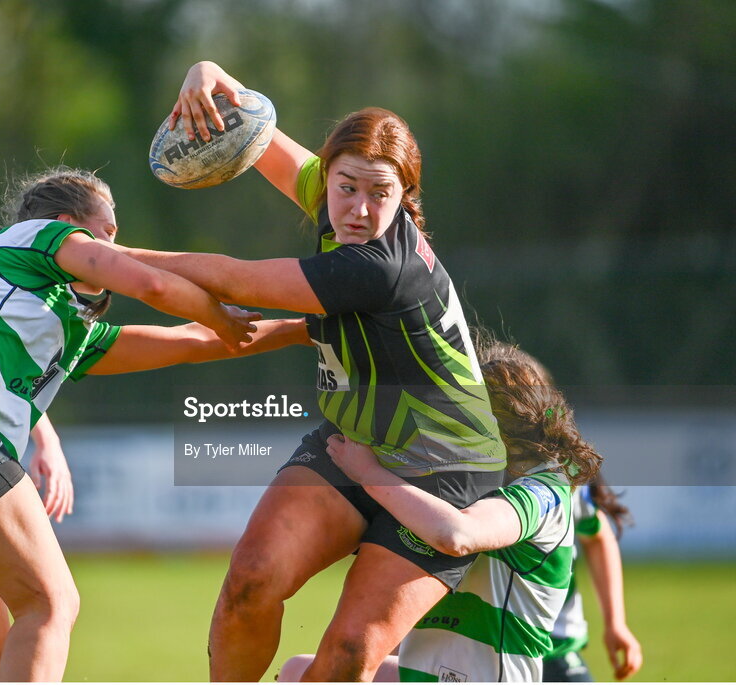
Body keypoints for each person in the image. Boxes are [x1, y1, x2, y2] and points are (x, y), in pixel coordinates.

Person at [119, 61, 508, 680]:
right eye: (346, 186)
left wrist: (99, 258)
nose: (358, 208)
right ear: (327, 178)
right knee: (248, 582)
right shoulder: (336, 204)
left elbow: (233, 278)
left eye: (380, 193)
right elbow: (257, 136)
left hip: (441, 469)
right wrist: (207, 75)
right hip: (352, 442)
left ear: (404, 199)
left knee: (349, 652)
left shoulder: (379, 265)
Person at [0, 166, 309, 681]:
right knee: (51, 603)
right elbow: (152, 283)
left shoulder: (62, 326)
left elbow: (193, 342)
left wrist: (304, 329)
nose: (114, 246)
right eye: (106, 233)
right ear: (68, 225)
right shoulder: (32, 236)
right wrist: (220, 312)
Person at [283, 339, 604, 682]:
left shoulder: (544, 488)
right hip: (426, 673)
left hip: (485, 678)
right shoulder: (470, 476)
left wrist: (370, 475)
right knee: (299, 671)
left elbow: (457, 536)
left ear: (492, 422)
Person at [544, 479, 642, 681]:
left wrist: (615, 623)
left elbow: (598, 537)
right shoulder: (479, 466)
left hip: (556, 643)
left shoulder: (565, 469)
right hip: (483, 643)